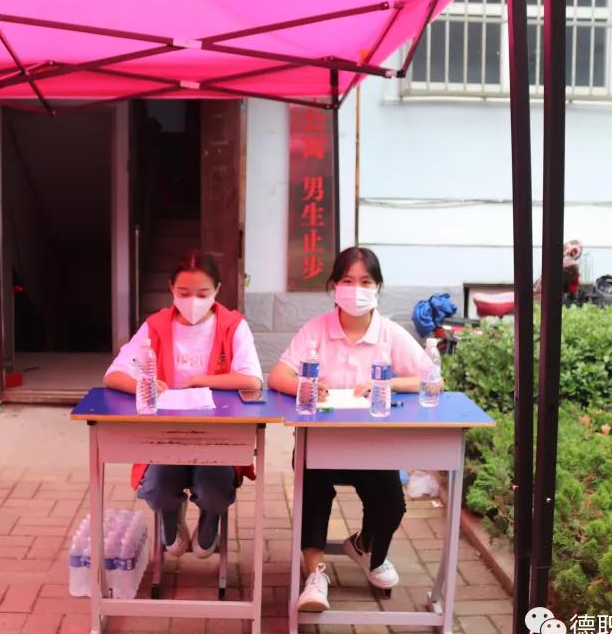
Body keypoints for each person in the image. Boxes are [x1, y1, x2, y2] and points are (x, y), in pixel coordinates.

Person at [268, 246, 430, 612]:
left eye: (365, 282)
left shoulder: (389, 333)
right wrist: (306, 387)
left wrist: (386, 383)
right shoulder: (316, 330)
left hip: (373, 446)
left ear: (378, 287)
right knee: (312, 492)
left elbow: (431, 377)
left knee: (391, 505)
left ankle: (364, 545)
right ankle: (314, 575)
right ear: (334, 285)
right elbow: (278, 376)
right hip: (320, 442)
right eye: (347, 280)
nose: (356, 289)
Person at [104, 251, 263, 558]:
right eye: (184, 293)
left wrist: (199, 381)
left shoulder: (232, 325)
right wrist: (144, 384)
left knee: (216, 487)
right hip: (165, 434)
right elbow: (114, 374)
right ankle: (170, 516)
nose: (193, 301)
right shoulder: (156, 326)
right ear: (171, 289)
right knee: (158, 486)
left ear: (217, 290)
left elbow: (252, 379)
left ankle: (210, 518)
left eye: (202, 294)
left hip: (218, 437)